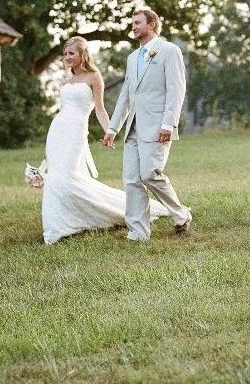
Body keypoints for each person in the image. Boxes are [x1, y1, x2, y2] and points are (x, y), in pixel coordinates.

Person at [41, 36, 168, 245]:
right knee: (54, 179)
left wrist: (110, 131)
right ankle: (56, 227)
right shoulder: (67, 81)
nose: (67, 58)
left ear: (82, 54)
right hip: (57, 130)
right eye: (65, 54)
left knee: (67, 178)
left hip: (75, 131)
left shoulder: (93, 77)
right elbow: (62, 112)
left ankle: (113, 212)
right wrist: (47, 147)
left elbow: (99, 109)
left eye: (71, 53)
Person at [102, 9, 191, 241]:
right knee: (131, 179)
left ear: (152, 24)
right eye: (132, 23)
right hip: (133, 127)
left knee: (150, 174)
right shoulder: (132, 58)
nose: (133, 27)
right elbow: (126, 96)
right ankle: (138, 233)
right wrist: (112, 129)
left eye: (137, 23)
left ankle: (181, 215)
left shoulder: (169, 51)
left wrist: (169, 124)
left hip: (158, 125)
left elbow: (176, 89)